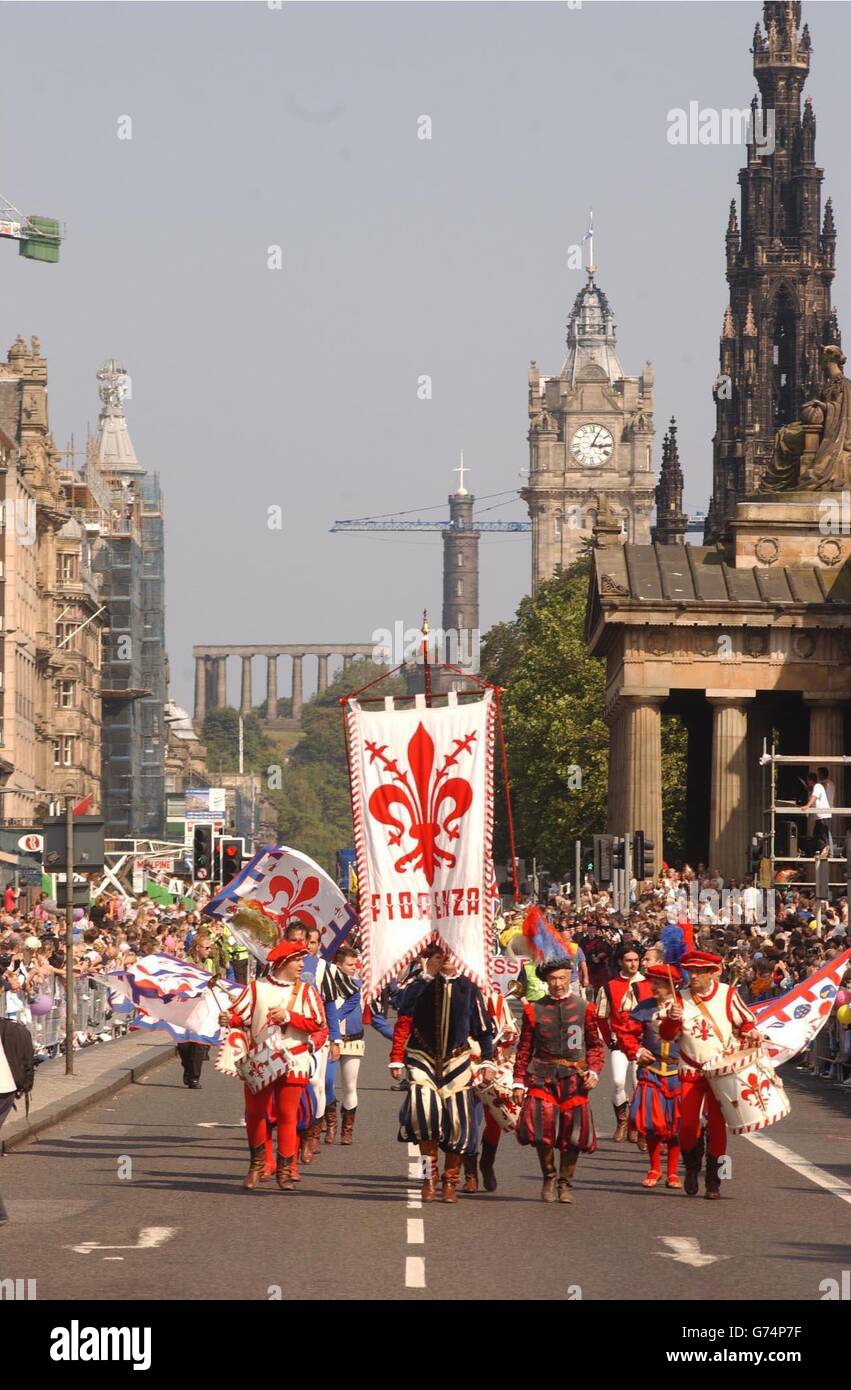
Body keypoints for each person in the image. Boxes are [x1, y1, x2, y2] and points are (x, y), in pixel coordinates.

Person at [217, 939, 328, 1191]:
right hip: (262, 1060)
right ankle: (256, 1166)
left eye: (302, 959)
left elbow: (317, 1024)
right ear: (283, 963)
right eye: (297, 959)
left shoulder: (306, 992)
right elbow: (241, 1017)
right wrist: (229, 1019)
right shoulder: (256, 988)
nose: (302, 963)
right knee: (255, 1114)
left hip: (294, 1059)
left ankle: (285, 1171)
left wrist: (289, 1017)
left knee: (289, 1115)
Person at [389, 945, 495, 1204]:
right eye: (440, 956)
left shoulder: (468, 988)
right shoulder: (419, 983)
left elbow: (483, 1029)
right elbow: (401, 1006)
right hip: (422, 1058)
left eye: (451, 956)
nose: (446, 960)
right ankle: (428, 1178)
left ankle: (450, 1181)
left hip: (456, 1061)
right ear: (430, 959)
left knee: (459, 1123)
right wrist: (426, 975)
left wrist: (489, 1062)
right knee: (424, 1119)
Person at [659, 949, 762, 1200]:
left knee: (718, 1126)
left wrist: (750, 1032)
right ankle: (692, 1167)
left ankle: (714, 1179)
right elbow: (667, 1035)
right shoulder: (679, 998)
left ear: (711, 974)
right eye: (690, 971)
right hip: (691, 1069)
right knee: (688, 1125)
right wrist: (672, 1020)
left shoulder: (728, 994)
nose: (692, 976)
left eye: (697, 972)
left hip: (721, 1072)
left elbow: (746, 1022)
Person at [512, 957, 604, 1205]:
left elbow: (596, 1046)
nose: (558, 983)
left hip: (575, 1078)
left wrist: (594, 1071)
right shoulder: (533, 1009)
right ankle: (549, 1177)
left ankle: (565, 1182)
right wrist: (519, 1081)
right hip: (542, 1076)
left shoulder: (586, 1008)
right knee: (542, 1129)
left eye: (562, 978)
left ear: (570, 978)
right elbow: (524, 1049)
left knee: (573, 1133)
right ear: (546, 981)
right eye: (553, 979)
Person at [618, 964, 682, 1189]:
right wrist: (636, 1050)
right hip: (651, 1070)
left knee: (676, 1124)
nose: (653, 987)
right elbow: (626, 1033)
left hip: (679, 1073)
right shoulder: (644, 1007)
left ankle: (673, 1172)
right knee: (652, 1123)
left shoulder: (686, 1007)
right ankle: (655, 1167)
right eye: (652, 982)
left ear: (670, 986)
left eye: (658, 984)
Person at [326, 945, 392, 1144]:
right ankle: (330, 1123)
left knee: (350, 1086)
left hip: (353, 1041)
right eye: (350, 965)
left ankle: (347, 1130)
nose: (354, 968)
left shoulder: (362, 989)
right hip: (329, 1042)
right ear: (338, 965)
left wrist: (401, 1039)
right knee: (327, 1083)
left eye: (356, 964)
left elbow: (377, 1019)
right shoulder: (326, 985)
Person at [595, 944, 652, 1144]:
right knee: (619, 1081)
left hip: (643, 1042)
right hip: (619, 1041)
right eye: (628, 960)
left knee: (639, 1085)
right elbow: (601, 1016)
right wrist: (608, 1038)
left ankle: (638, 1126)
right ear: (620, 962)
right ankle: (622, 1121)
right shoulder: (609, 986)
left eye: (636, 960)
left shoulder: (649, 984)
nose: (633, 964)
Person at [801, 772, 833, 858]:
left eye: (808, 781)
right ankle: (822, 851)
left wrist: (807, 806)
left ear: (810, 780)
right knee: (817, 835)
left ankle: (827, 853)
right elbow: (813, 797)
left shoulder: (817, 786)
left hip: (823, 815)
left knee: (823, 835)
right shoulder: (816, 787)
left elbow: (814, 797)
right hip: (820, 816)